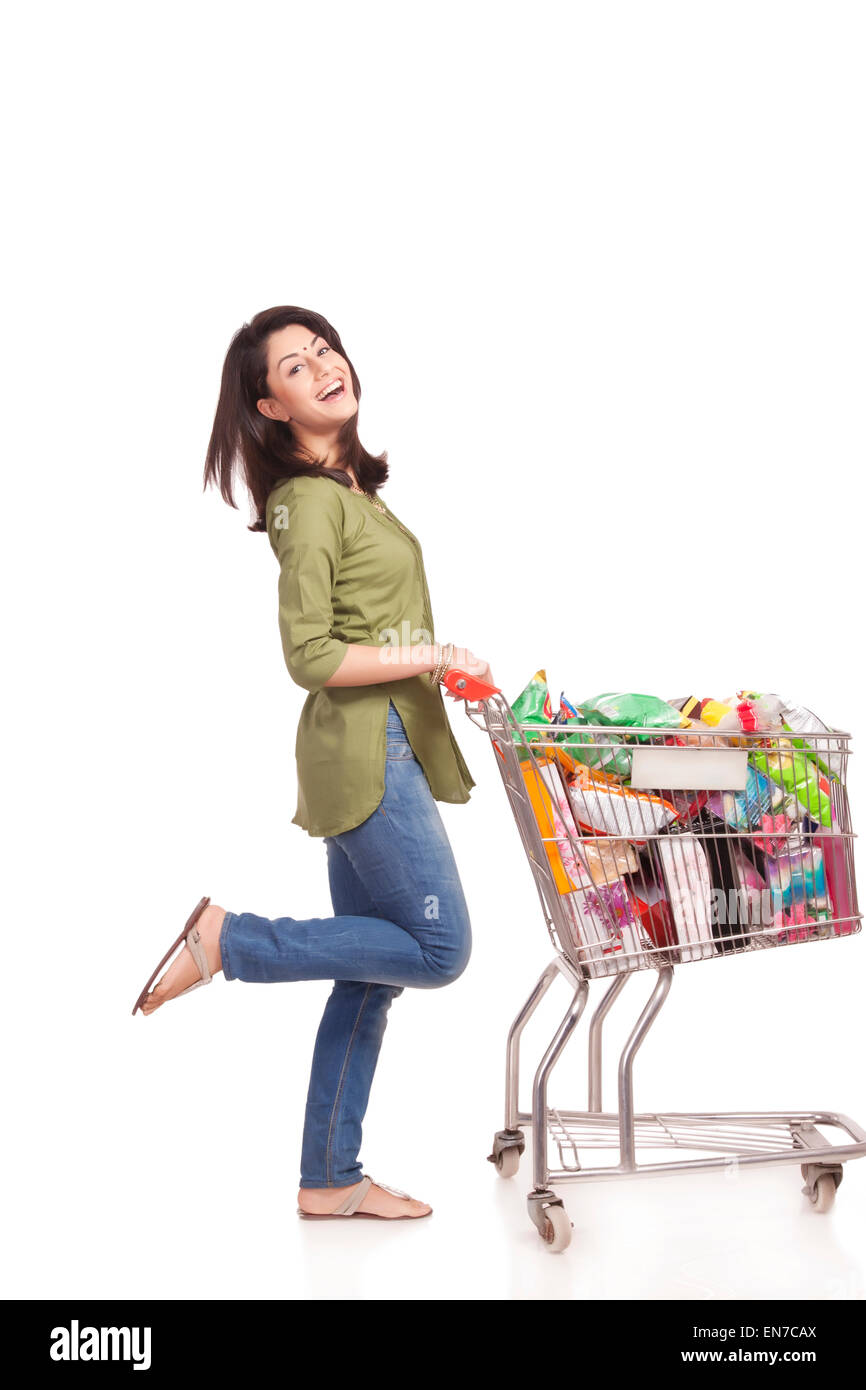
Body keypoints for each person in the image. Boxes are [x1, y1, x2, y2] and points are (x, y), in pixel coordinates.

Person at [131, 306, 494, 1223]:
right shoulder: (306, 501)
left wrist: (440, 667)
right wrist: (433, 657)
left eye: (324, 349)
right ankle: (231, 941)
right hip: (366, 754)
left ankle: (330, 1178)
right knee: (440, 952)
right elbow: (312, 655)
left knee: (372, 975)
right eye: (297, 365)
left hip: (385, 744)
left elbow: (368, 631)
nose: (324, 366)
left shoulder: (354, 492)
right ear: (271, 404)